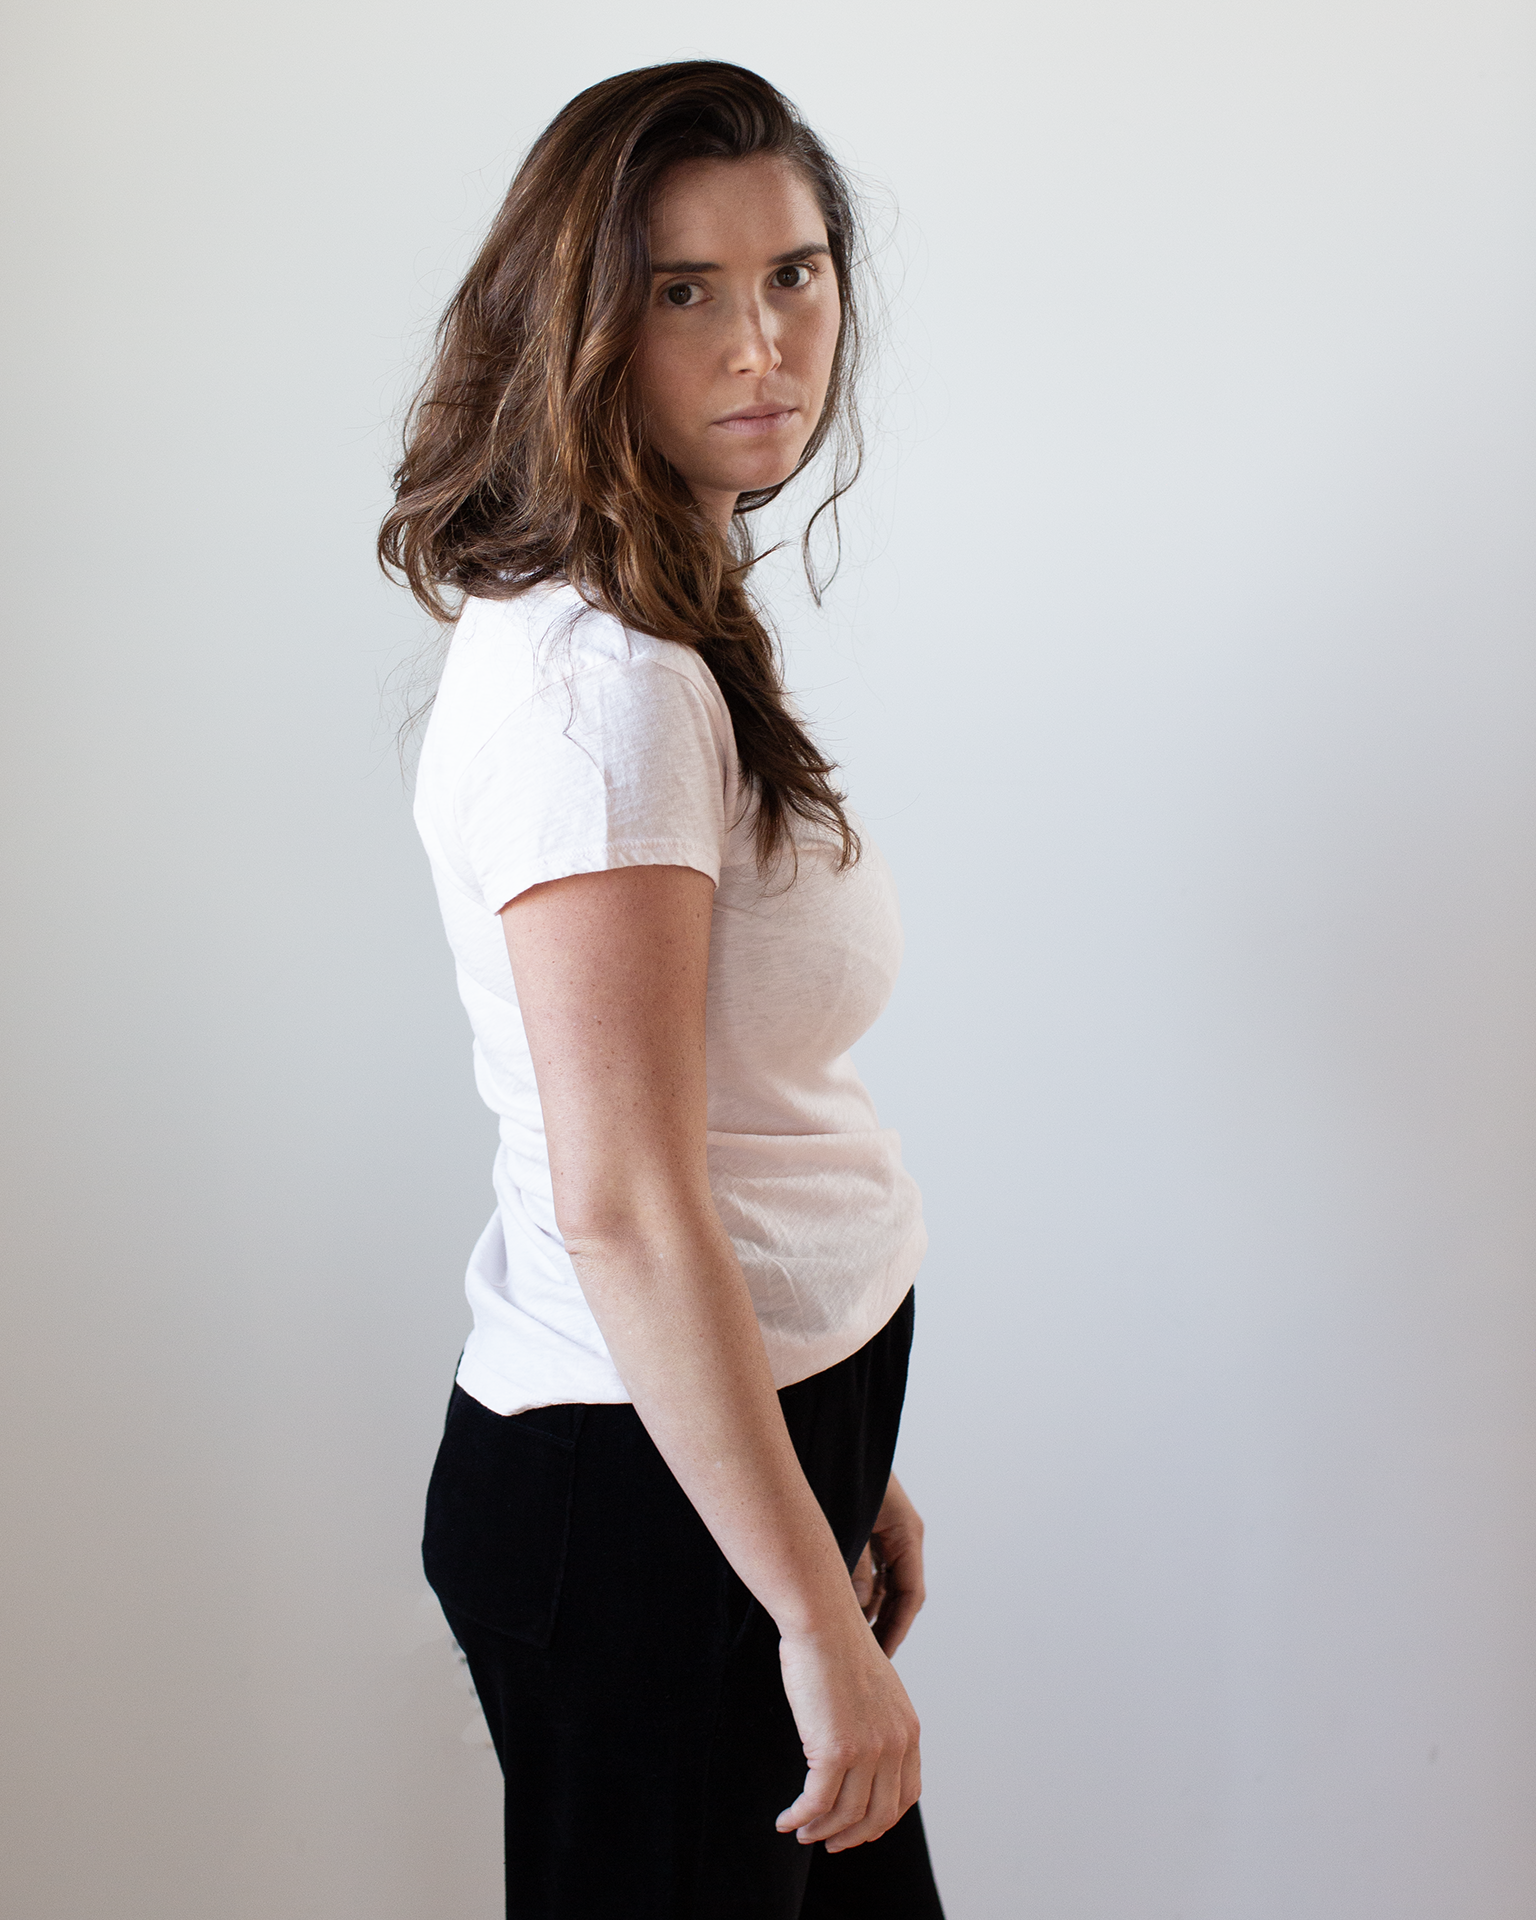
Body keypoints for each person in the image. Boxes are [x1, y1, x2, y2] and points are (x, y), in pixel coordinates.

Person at [379, 60, 944, 1920]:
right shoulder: (597, 694)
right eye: (685, 288)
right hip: (640, 1521)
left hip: (739, 1473)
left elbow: (730, 1126)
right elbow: (622, 1199)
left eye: (793, 272)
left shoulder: (661, 603)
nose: (763, 338)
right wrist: (802, 1596)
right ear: (582, 321)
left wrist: (828, 1483)